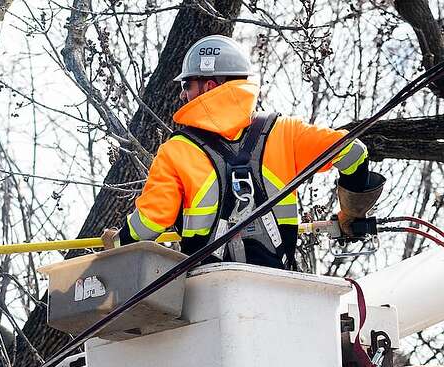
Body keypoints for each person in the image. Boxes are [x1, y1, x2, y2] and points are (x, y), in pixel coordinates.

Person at [101, 35, 385, 268]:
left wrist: (116, 244)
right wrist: (351, 212)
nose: (182, 94)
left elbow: (150, 222)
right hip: (278, 283)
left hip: (210, 293)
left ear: (209, 85)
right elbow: (353, 153)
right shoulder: (285, 133)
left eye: (187, 85)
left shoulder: (176, 151)